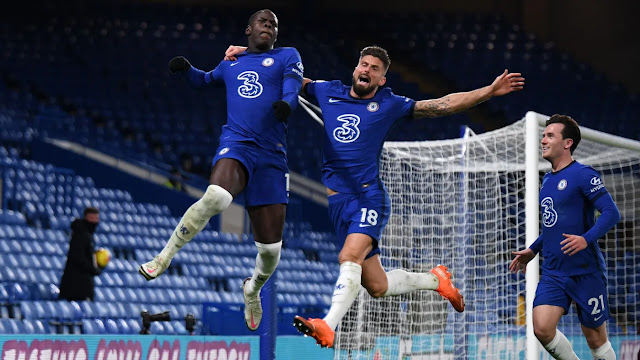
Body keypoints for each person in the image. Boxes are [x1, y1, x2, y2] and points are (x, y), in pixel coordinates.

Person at [225, 44, 524, 347]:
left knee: (348, 257)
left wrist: (488, 91)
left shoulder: (389, 103)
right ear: (355, 69)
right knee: (377, 286)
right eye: (363, 64)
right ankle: (436, 280)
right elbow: (282, 73)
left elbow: (442, 104)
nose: (367, 70)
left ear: (382, 80)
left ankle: (328, 325)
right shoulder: (327, 91)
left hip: (368, 198)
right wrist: (250, 54)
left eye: (375, 68)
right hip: (338, 204)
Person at [138, 9, 304, 333]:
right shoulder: (231, 64)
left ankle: (252, 289)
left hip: (273, 156)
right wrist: (186, 70)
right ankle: (164, 256)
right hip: (238, 143)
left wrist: (288, 104)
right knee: (216, 197)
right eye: (263, 22)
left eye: (273, 24)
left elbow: (293, 86)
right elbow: (204, 79)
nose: (268, 27)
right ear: (248, 29)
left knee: (270, 252)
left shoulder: (287, 56)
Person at [510, 115, 620, 360]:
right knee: (542, 328)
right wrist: (533, 249)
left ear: (567, 143)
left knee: (595, 338)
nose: (543, 140)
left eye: (550, 135)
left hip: (585, 270)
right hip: (554, 272)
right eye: (544, 135)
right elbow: (553, 226)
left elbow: (612, 213)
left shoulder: (583, 174)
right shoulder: (547, 179)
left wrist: (585, 239)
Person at [59, 206, 102, 301]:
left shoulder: (87, 234)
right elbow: (78, 258)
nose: (95, 222)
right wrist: (93, 269)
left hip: (82, 285)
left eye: (97, 219)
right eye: (93, 218)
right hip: (75, 287)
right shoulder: (80, 234)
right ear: (87, 218)